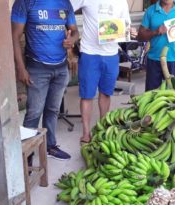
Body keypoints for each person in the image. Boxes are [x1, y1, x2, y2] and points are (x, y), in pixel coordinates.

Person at [11, 0, 79, 160]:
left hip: (61, 68)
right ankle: (26, 156)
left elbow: (75, 31)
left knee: (53, 110)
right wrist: (21, 69)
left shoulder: (64, 3)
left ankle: (50, 146)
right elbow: (14, 36)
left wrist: (72, 40)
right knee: (34, 113)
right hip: (37, 68)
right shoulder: (25, 2)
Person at [70, 0, 132, 143]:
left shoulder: (122, 2)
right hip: (89, 53)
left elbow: (125, 25)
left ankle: (102, 129)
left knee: (106, 93)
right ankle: (86, 133)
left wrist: (130, 30)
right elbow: (66, 8)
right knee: (87, 95)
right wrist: (71, 30)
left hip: (111, 54)